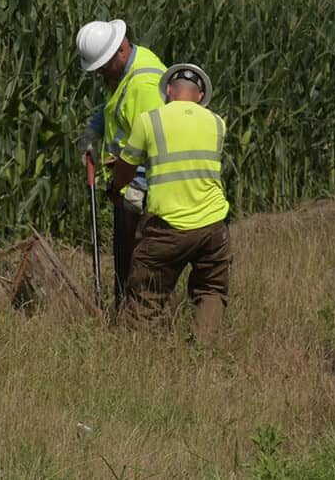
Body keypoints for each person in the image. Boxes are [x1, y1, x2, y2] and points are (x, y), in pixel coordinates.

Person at [123, 64, 231, 342]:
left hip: (167, 227)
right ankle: (203, 351)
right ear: (200, 95)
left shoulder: (149, 121)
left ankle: (144, 353)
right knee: (212, 290)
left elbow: (126, 168)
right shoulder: (218, 123)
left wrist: (116, 187)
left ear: (169, 91)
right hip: (213, 227)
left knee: (147, 294)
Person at [75, 19, 167, 305]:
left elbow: (154, 143)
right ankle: (124, 316)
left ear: (120, 50)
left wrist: (138, 187)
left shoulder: (144, 85)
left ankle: (145, 323)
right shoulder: (127, 71)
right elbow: (114, 107)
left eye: (102, 66)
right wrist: (93, 131)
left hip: (143, 191)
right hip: (124, 185)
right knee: (126, 263)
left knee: (143, 268)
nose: (99, 73)